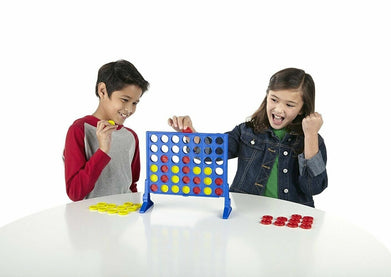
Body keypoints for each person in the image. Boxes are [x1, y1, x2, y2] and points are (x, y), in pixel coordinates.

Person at [168, 68, 327, 207]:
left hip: (289, 218)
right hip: (246, 216)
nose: (278, 109)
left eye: (290, 105)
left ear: (301, 109)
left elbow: (313, 187)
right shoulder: (247, 131)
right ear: (267, 96)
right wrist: (189, 134)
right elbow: (208, 153)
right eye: (274, 99)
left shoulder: (311, 140)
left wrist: (311, 135)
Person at [64, 60, 149, 201]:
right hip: (92, 219)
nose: (130, 109)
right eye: (124, 100)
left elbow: (131, 184)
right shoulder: (79, 130)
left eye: (134, 103)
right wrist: (102, 151)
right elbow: (75, 192)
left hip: (126, 218)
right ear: (102, 91)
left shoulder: (131, 136)